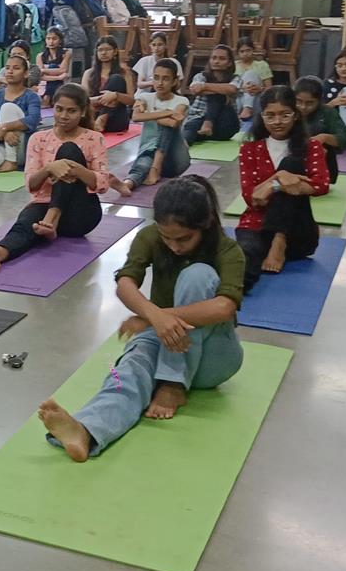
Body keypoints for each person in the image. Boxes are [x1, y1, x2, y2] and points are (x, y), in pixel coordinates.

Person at [39, 176, 245, 458]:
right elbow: (125, 284)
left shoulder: (227, 249)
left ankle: (173, 382)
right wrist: (154, 318)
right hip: (160, 339)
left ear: (206, 223)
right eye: (166, 237)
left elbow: (224, 308)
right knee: (127, 370)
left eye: (184, 238)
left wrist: (153, 318)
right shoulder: (149, 236)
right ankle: (87, 430)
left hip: (215, 358)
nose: (174, 246)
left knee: (197, 275)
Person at [0, 84, 111, 270]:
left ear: (82, 112)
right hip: (43, 209)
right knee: (25, 224)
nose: (63, 116)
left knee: (68, 150)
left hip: (80, 214)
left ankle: (54, 216)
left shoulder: (94, 138)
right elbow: (31, 185)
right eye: (59, 109)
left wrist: (74, 168)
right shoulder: (38, 139)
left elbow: (103, 184)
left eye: (71, 111)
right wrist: (49, 168)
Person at [235, 85, 329, 289]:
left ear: (296, 115)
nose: (277, 122)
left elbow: (321, 185)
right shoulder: (250, 149)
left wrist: (273, 186)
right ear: (262, 116)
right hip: (257, 225)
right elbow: (252, 198)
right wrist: (278, 179)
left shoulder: (311, 146)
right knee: (243, 265)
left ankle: (280, 240)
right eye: (270, 116)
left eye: (285, 115)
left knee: (291, 165)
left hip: (298, 231)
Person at [118, 58, 189, 194]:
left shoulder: (181, 100)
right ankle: (127, 184)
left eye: (165, 79)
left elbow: (173, 123)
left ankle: (155, 169)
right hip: (149, 151)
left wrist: (148, 113)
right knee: (142, 165)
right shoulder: (145, 97)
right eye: (156, 78)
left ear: (175, 81)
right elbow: (136, 117)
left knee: (166, 127)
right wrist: (168, 112)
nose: (160, 83)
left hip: (175, 158)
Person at [294, 75, 346, 181]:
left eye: (310, 103)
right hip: (294, 162)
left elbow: (345, 138)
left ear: (319, 100)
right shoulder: (289, 111)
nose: (303, 107)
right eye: (298, 101)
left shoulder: (327, 113)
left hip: (323, 165)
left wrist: (324, 138)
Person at [185, 43, 241, 145]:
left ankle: (208, 123)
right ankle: (204, 130)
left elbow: (232, 89)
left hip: (224, 123)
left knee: (219, 95)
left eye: (222, 58)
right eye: (213, 58)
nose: (216, 61)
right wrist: (222, 89)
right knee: (189, 132)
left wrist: (204, 87)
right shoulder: (201, 76)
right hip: (199, 118)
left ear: (229, 63)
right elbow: (194, 90)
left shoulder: (235, 78)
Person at [83, 35, 135, 133]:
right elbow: (84, 100)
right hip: (93, 117)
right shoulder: (88, 73)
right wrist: (104, 98)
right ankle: (100, 119)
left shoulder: (125, 73)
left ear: (115, 51)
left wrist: (116, 95)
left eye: (108, 49)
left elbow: (131, 101)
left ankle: (103, 118)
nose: (103, 53)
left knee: (116, 79)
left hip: (115, 119)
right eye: (100, 50)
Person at [233, 39, 272, 123]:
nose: (245, 54)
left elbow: (269, 88)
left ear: (253, 50)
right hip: (238, 99)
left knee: (250, 74)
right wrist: (242, 88)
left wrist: (259, 89)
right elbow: (229, 87)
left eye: (248, 50)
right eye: (242, 51)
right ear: (238, 53)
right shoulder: (233, 65)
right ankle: (240, 113)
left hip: (256, 99)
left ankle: (247, 107)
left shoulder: (262, 65)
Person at [38, 26, 72, 102]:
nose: (51, 42)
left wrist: (44, 70)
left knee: (53, 66)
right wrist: (58, 77)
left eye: (54, 39)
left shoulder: (66, 53)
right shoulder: (40, 56)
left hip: (62, 86)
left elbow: (62, 70)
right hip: (45, 88)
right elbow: (41, 76)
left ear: (60, 40)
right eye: (48, 38)